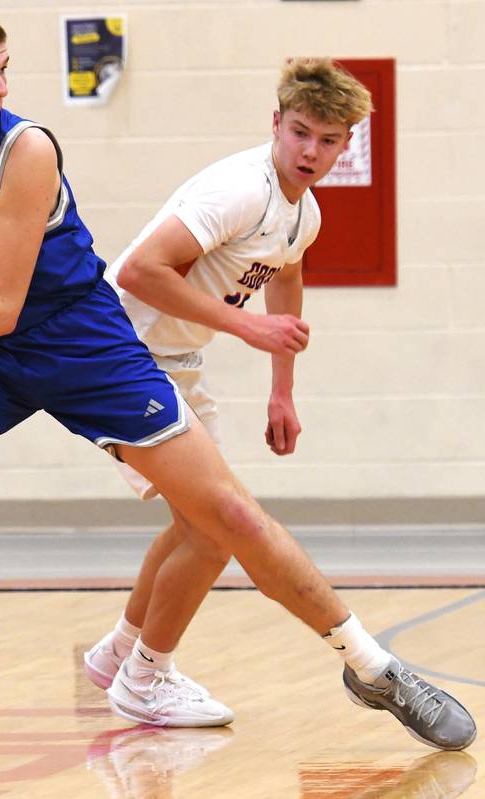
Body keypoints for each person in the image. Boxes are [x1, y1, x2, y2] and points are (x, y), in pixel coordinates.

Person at [0, 11, 472, 777]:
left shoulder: (26, 150)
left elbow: (1, 302)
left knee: (226, 515)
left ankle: (372, 667)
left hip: (81, 341)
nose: (2, 86)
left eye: (5, 68)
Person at [83, 59, 477, 750]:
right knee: (214, 527)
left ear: (345, 144)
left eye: (328, 141)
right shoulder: (239, 188)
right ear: (276, 124)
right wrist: (245, 326)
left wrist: (282, 388)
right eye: (300, 132)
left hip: (172, 360)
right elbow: (140, 269)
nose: (310, 152)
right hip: (118, 355)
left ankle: (119, 651)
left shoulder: (304, 213)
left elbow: (286, 280)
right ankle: (146, 674)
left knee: (192, 523)